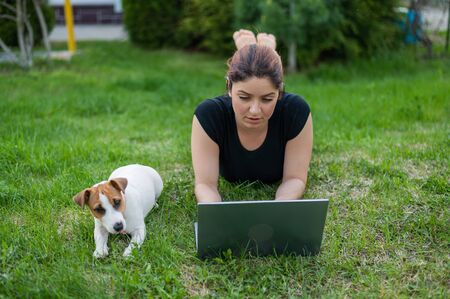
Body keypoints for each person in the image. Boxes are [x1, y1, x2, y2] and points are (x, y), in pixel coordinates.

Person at [191, 29, 313, 203]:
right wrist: (216, 215)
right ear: (229, 87)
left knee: (259, 63)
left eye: (267, 99)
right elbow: (205, 185)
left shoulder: (295, 111)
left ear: (279, 92)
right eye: (244, 97)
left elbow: (295, 178)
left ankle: (261, 50)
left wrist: (280, 206)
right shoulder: (210, 115)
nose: (255, 110)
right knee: (257, 61)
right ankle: (258, 49)